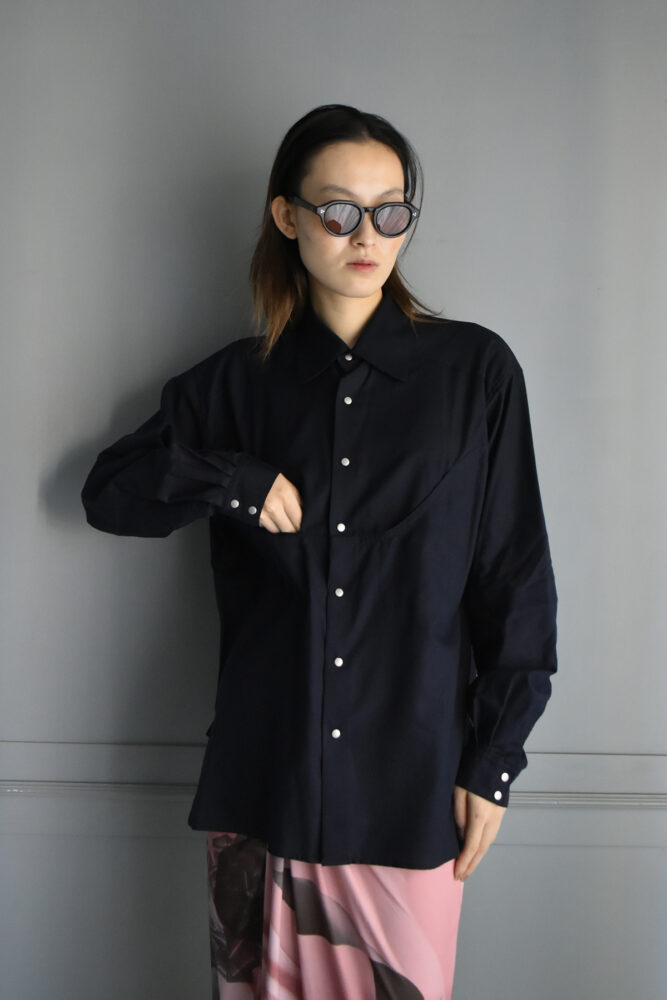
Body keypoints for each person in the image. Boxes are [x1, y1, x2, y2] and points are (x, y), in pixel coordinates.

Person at [81, 104, 558, 1000]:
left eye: (390, 210)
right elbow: (109, 494)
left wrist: (495, 761)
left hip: (409, 789)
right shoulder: (237, 382)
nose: (366, 235)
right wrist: (233, 480)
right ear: (287, 215)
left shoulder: (474, 374)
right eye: (338, 210)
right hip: (265, 783)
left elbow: (514, 577)